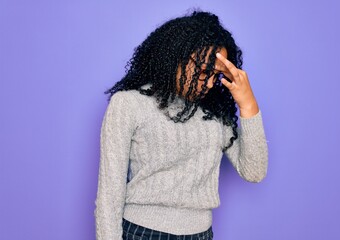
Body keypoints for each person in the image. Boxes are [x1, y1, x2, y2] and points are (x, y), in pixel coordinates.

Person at [94, 10, 268, 240]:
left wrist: (248, 105)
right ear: (176, 57)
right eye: (203, 71)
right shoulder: (129, 104)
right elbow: (109, 194)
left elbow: (254, 172)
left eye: (215, 76)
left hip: (200, 234)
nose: (207, 83)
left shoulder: (213, 112)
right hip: (142, 233)